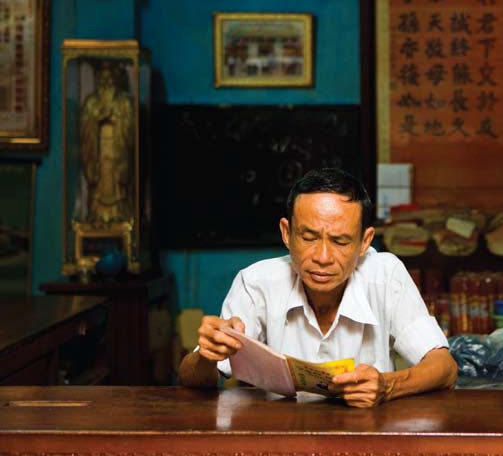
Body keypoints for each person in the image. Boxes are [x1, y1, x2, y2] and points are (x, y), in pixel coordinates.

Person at [178, 168, 457, 407]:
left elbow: (444, 368)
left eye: (340, 241)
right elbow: (190, 377)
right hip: (281, 437)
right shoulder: (257, 283)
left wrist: (387, 386)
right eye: (309, 237)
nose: (322, 258)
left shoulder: (385, 275)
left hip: (368, 438)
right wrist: (207, 355)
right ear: (287, 233)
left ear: (364, 242)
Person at [80, 60, 134, 223]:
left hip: (117, 151)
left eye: (110, 78)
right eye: (103, 78)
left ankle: (120, 217)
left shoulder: (124, 102)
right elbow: (85, 129)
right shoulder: (91, 102)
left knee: (118, 189)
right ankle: (95, 215)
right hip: (98, 152)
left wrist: (116, 118)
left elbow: (130, 127)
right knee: (98, 188)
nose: (106, 81)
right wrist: (96, 118)